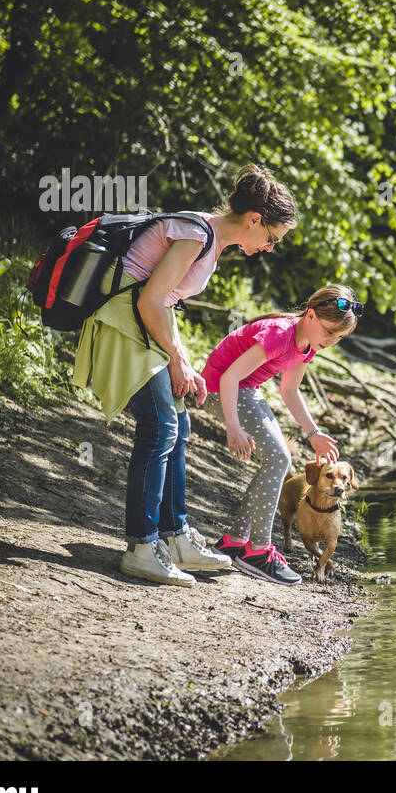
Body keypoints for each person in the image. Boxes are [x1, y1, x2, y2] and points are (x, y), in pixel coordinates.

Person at [72, 164, 299, 586]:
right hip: (121, 324)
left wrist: (183, 360)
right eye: (271, 238)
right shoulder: (197, 234)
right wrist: (175, 358)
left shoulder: (209, 240)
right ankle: (142, 546)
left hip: (143, 326)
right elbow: (149, 300)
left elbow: (166, 300)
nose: (269, 248)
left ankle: (175, 537)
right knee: (159, 427)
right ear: (254, 220)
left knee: (179, 422)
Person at [200, 287, 358, 584]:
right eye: (329, 332)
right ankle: (258, 550)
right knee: (278, 458)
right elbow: (229, 376)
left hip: (245, 390)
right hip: (220, 389)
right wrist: (232, 425)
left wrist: (314, 433)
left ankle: (235, 542)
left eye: (339, 337)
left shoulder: (308, 345)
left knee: (277, 461)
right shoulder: (280, 334)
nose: (331, 342)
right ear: (310, 315)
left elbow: (289, 390)